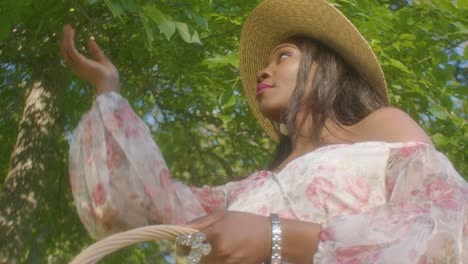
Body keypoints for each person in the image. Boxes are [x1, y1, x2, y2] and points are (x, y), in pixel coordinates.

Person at [62, 0, 468, 263]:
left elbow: (446, 230)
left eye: (284, 56)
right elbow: (136, 205)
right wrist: (108, 91)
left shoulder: (380, 126)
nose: (264, 70)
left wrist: (278, 236)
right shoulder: (241, 193)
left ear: (325, 67)